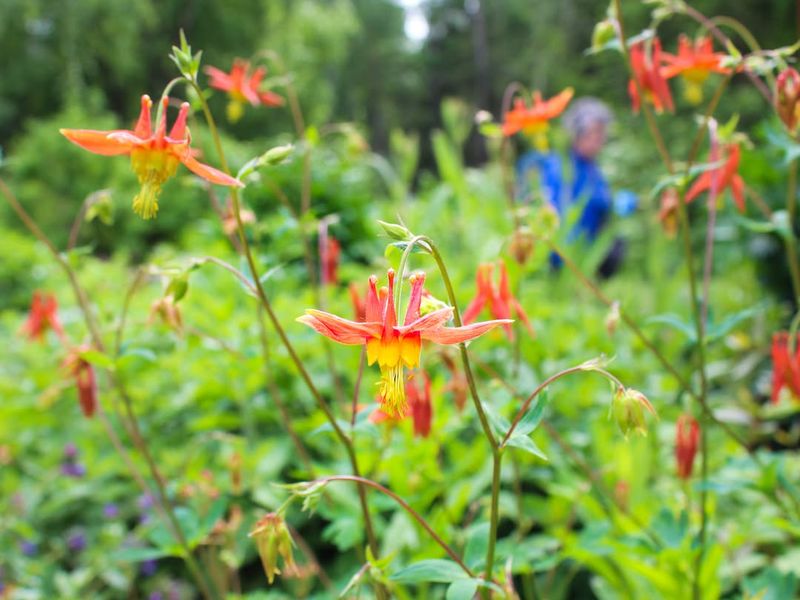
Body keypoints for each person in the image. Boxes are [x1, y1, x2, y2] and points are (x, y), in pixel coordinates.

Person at [515, 97, 635, 273]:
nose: (600, 140)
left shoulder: (594, 169)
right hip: (560, 255)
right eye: (595, 133)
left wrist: (616, 203)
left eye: (602, 134)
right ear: (577, 133)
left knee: (617, 245)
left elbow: (601, 202)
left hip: (587, 255)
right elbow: (554, 209)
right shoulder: (557, 166)